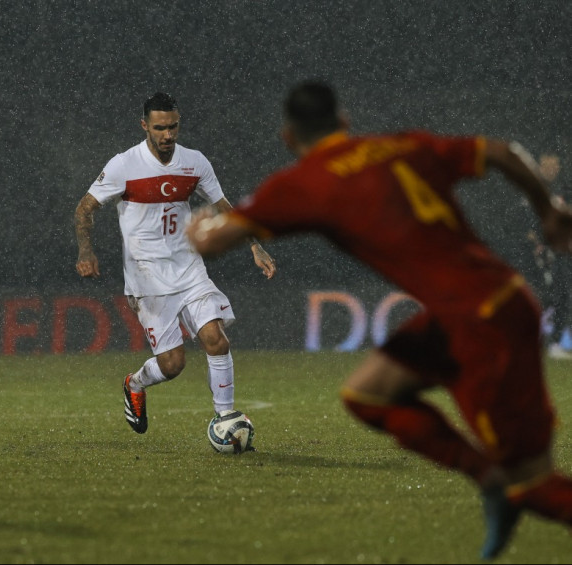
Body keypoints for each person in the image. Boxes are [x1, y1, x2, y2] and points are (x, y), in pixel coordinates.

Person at [186, 81, 572, 559]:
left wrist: (199, 227)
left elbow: (214, 242)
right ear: (345, 120)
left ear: (289, 137)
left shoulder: (305, 184)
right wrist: (548, 208)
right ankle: (489, 479)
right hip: (481, 305)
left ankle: (500, 483)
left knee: (533, 486)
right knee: (367, 394)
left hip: (485, 324)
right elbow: (499, 151)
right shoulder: (398, 146)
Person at [74, 92, 275, 436]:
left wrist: (255, 245)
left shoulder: (195, 162)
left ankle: (223, 420)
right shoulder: (125, 165)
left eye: (174, 127)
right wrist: (85, 251)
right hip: (147, 277)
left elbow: (224, 205)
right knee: (173, 364)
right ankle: (135, 384)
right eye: (160, 128)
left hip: (188, 267)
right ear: (144, 127)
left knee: (216, 338)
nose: (168, 134)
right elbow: (84, 208)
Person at [527, 154, 572, 359]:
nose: (551, 168)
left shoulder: (563, 189)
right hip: (547, 252)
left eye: (555, 164)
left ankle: (556, 341)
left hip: (560, 251)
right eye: (547, 165)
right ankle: (549, 339)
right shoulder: (536, 188)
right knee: (554, 293)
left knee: (562, 292)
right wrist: (538, 242)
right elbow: (531, 220)